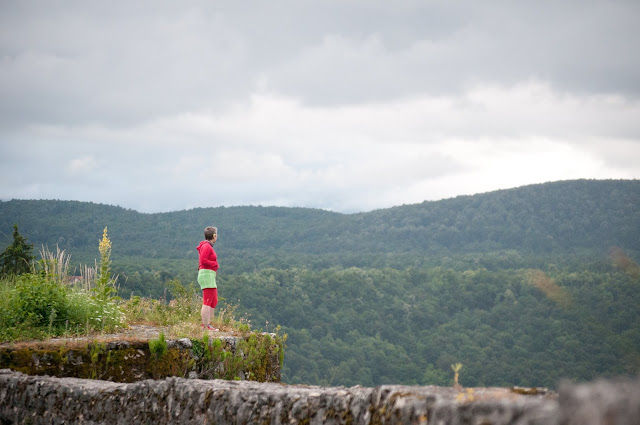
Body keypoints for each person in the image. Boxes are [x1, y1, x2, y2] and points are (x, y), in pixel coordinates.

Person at [197, 226, 219, 331]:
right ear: (214, 235)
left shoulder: (208, 246)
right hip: (206, 274)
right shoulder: (206, 246)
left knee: (214, 300)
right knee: (208, 300)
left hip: (210, 274)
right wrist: (214, 264)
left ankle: (208, 324)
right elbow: (203, 261)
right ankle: (205, 325)